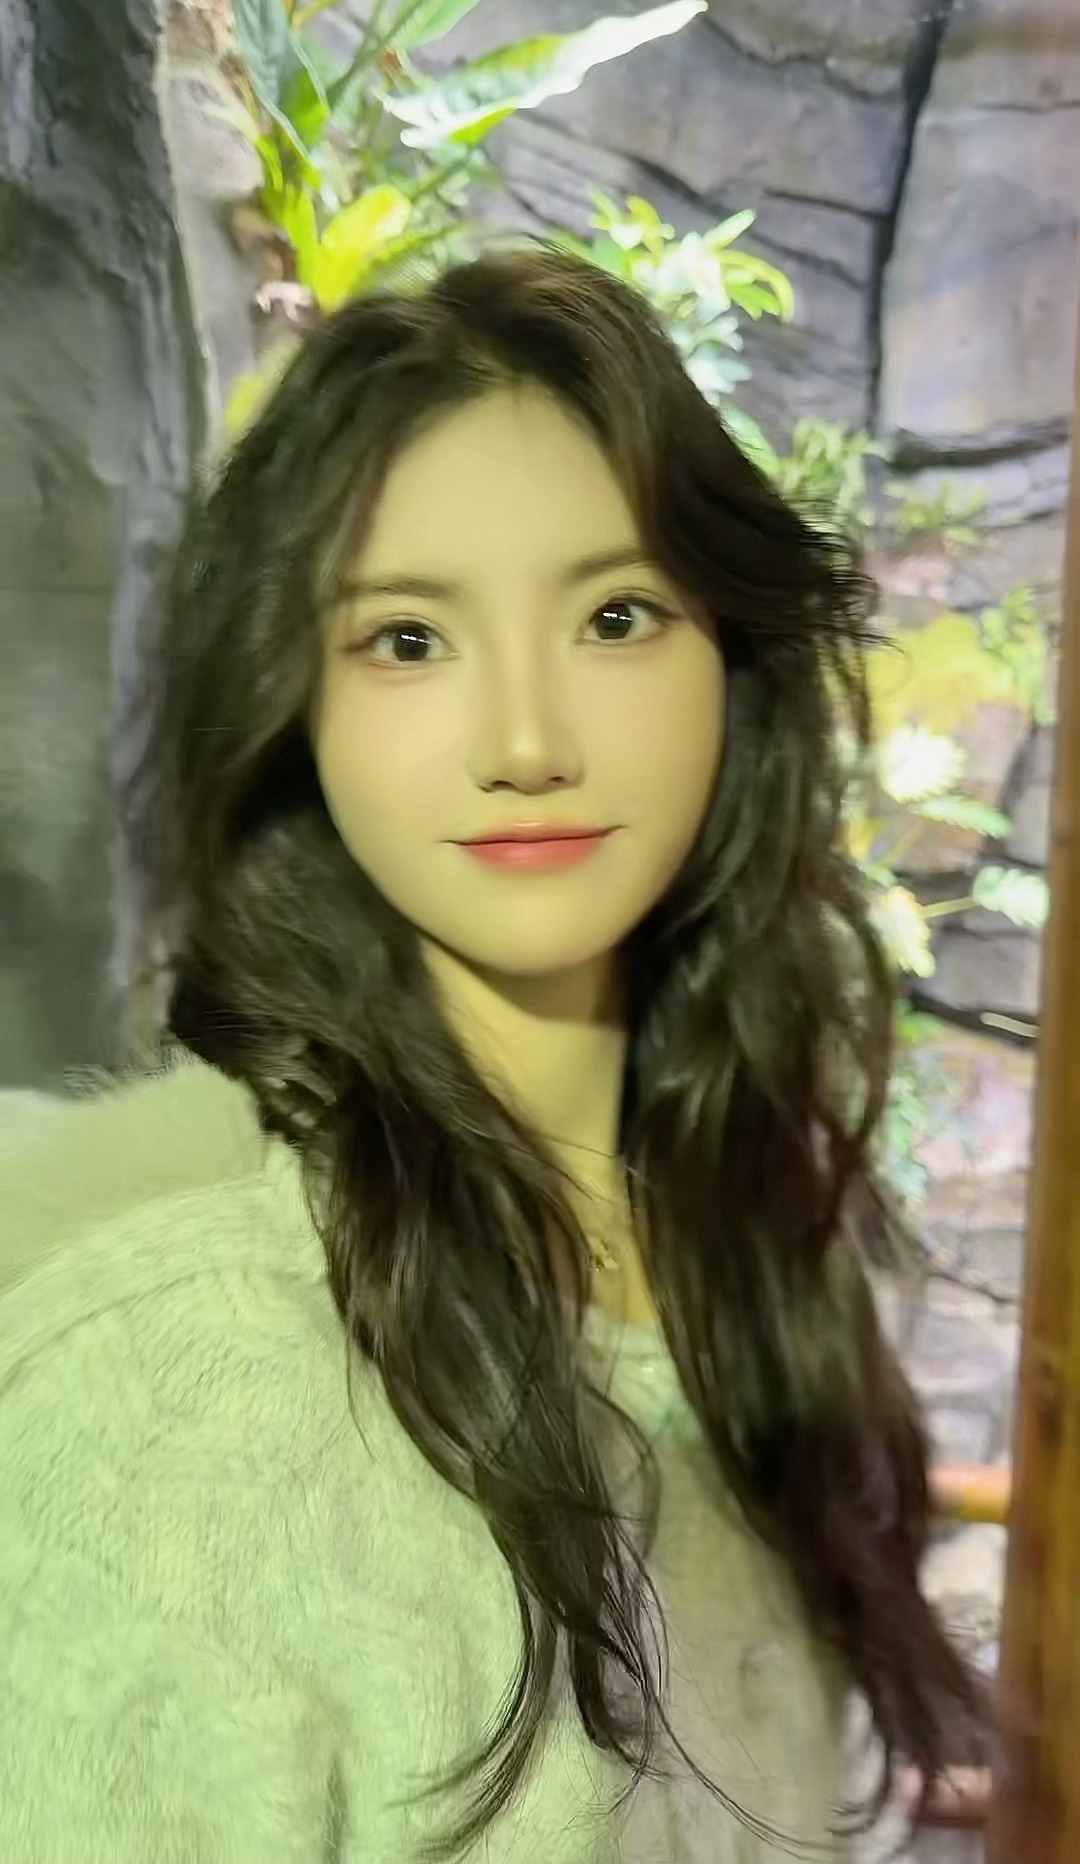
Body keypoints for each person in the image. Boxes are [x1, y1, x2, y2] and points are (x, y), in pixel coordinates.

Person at [0, 246, 987, 1862]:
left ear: (732, 662)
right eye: (407, 639)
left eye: (616, 616)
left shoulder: (752, 1265)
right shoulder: (168, 1389)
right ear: (292, 701)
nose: (528, 741)